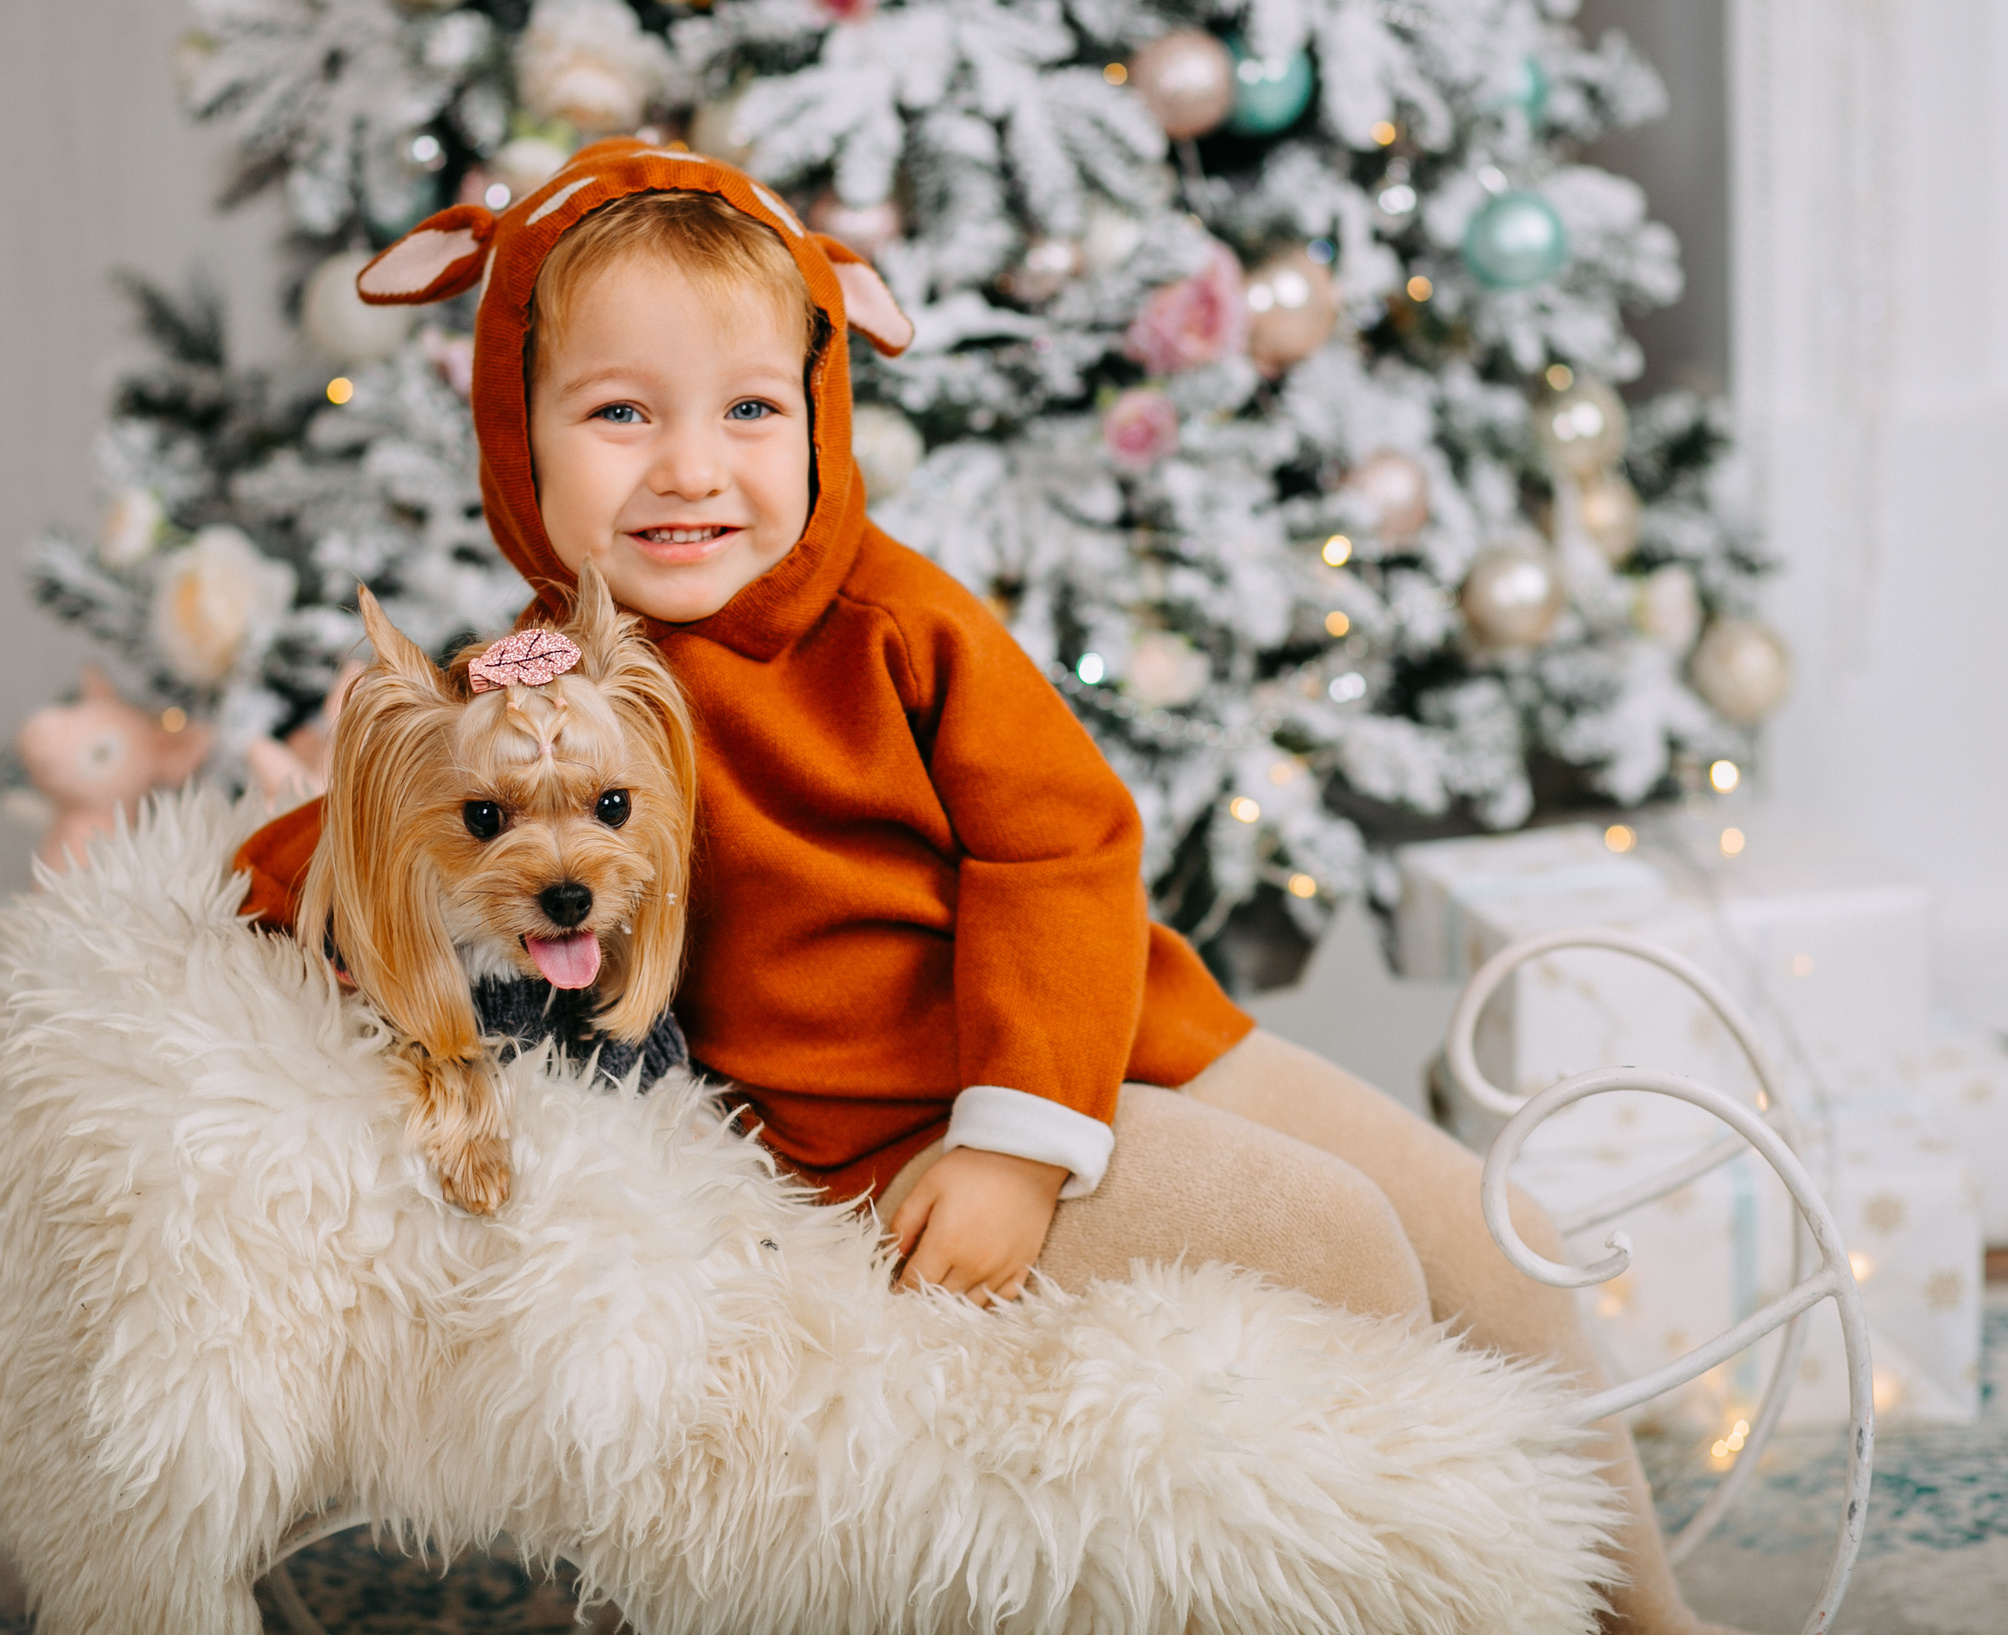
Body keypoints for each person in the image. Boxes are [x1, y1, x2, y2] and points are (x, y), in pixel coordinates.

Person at [233, 137, 1741, 1635]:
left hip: (1084, 1042)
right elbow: (390, 829)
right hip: (881, 1140)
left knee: (1498, 1240)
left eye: (751, 409)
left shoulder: (897, 622)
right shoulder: (544, 696)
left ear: (821, 410)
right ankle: (1419, 1588)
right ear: (520, 430)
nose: (690, 468)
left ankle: (1645, 1625)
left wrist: (1021, 1138)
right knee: (1336, 1240)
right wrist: (248, 891)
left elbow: (1062, 846)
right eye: (621, 412)